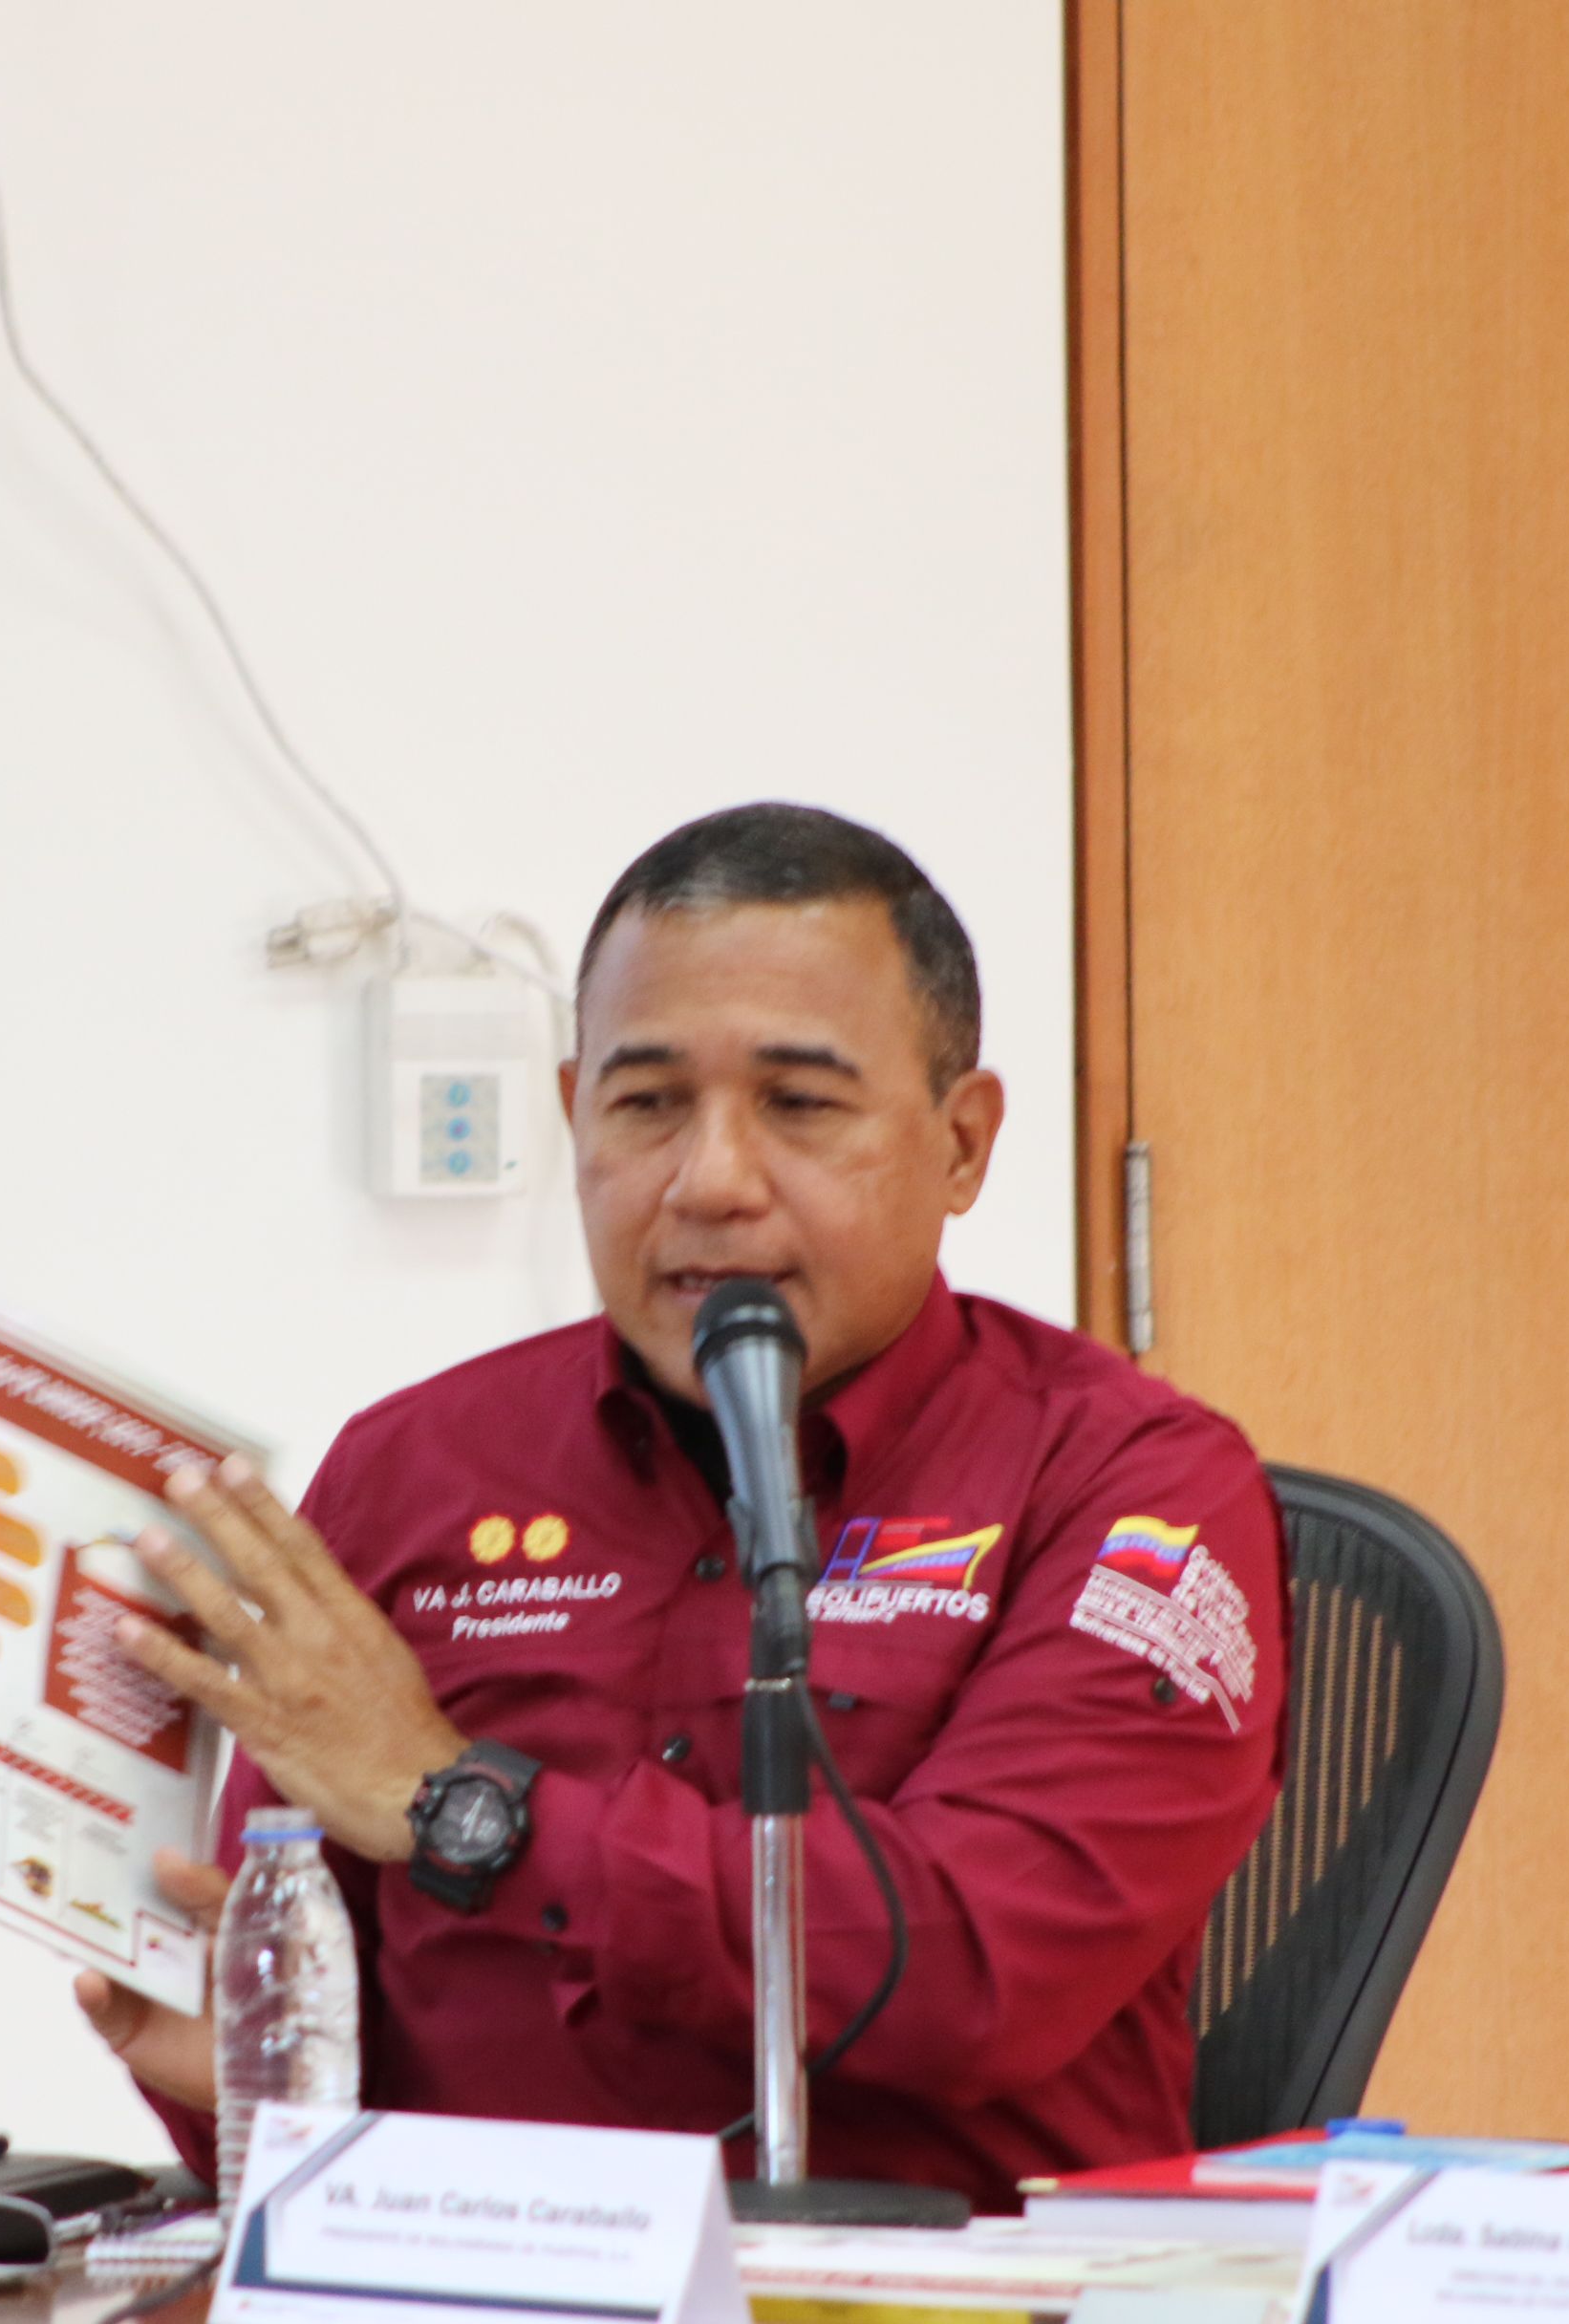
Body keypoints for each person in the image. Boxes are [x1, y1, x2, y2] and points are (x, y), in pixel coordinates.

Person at [73, 804, 1288, 2210]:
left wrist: (461, 1809)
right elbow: (285, 1996)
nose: (711, 1181)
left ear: (962, 1144)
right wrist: (240, 2072)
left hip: (929, 2291)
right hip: (474, 2275)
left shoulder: (1137, 1484)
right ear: (575, 1116)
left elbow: (978, 1965)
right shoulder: (412, 1468)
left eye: (800, 1105)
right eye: (647, 1105)